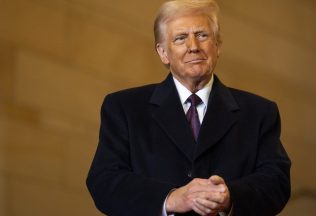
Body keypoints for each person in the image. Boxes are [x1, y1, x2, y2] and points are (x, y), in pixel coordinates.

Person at [86, 0, 291, 215]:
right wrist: (171, 198)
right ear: (163, 52)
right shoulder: (125, 108)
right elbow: (104, 180)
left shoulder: (259, 113)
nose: (193, 46)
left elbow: (276, 181)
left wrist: (230, 196)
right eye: (181, 38)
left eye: (202, 35)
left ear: (217, 46)